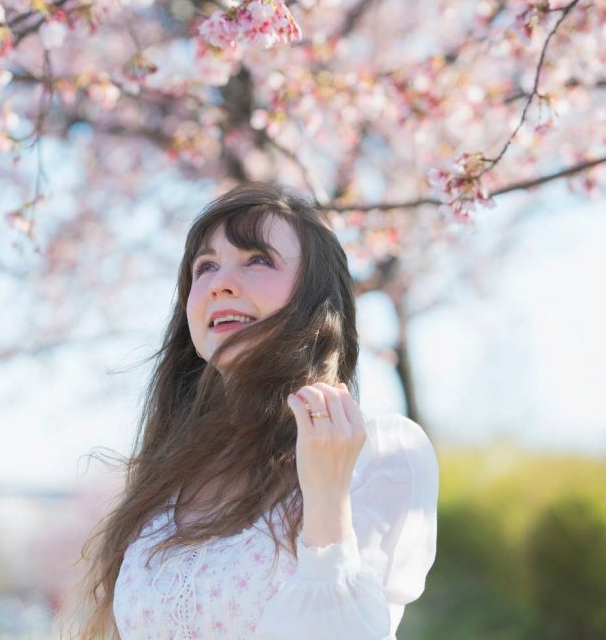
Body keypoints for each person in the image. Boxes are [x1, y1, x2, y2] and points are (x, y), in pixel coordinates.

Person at [62, 182, 439, 640]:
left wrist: (325, 501)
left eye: (257, 259)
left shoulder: (377, 456)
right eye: (205, 266)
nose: (220, 283)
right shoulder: (169, 478)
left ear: (315, 299)